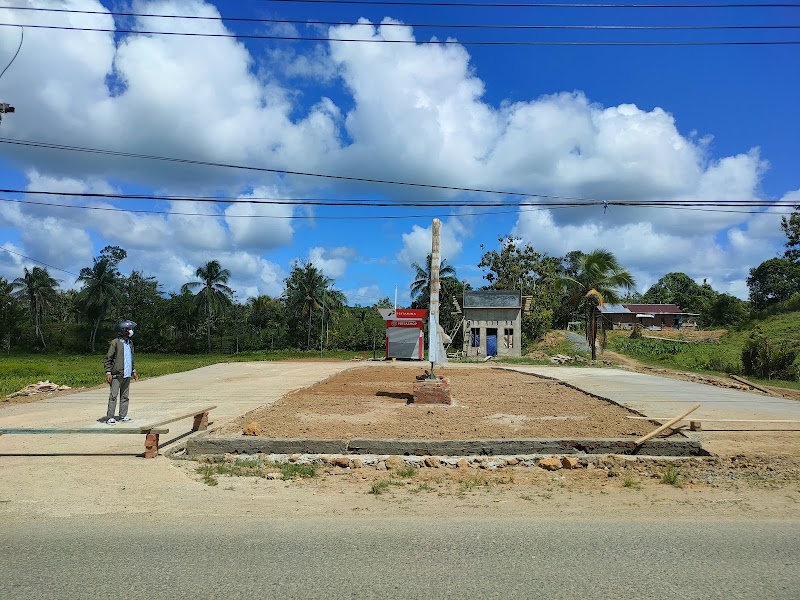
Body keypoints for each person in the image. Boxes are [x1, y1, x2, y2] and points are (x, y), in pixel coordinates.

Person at [104, 320, 138, 425]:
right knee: (113, 396)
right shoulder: (115, 343)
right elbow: (108, 358)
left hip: (127, 374)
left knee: (125, 396)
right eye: (129, 329)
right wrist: (108, 372)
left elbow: (131, 358)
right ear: (123, 331)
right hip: (116, 375)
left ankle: (123, 415)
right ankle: (110, 417)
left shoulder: (130, 343)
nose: (131, 331)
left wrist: (134, 370)